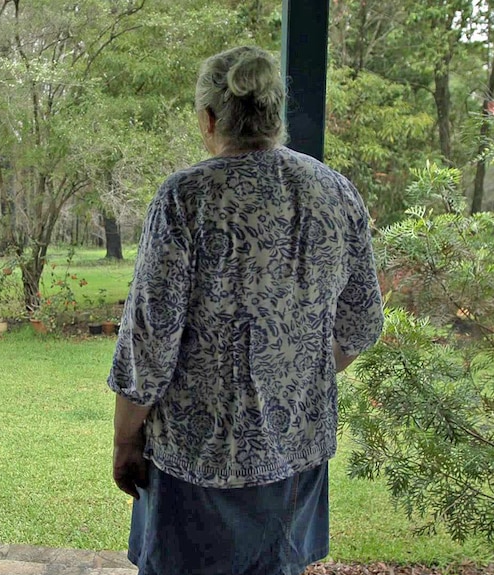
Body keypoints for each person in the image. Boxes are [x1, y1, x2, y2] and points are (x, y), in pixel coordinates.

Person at [107, 45, 385, 575]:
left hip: (198, 462)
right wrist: (293, 372)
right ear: (275, 113)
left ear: (208, 119)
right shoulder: (336, 192)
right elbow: (362, 323)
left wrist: (125, 439)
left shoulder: (185, 198)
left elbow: (149, 343)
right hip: (296, 461)